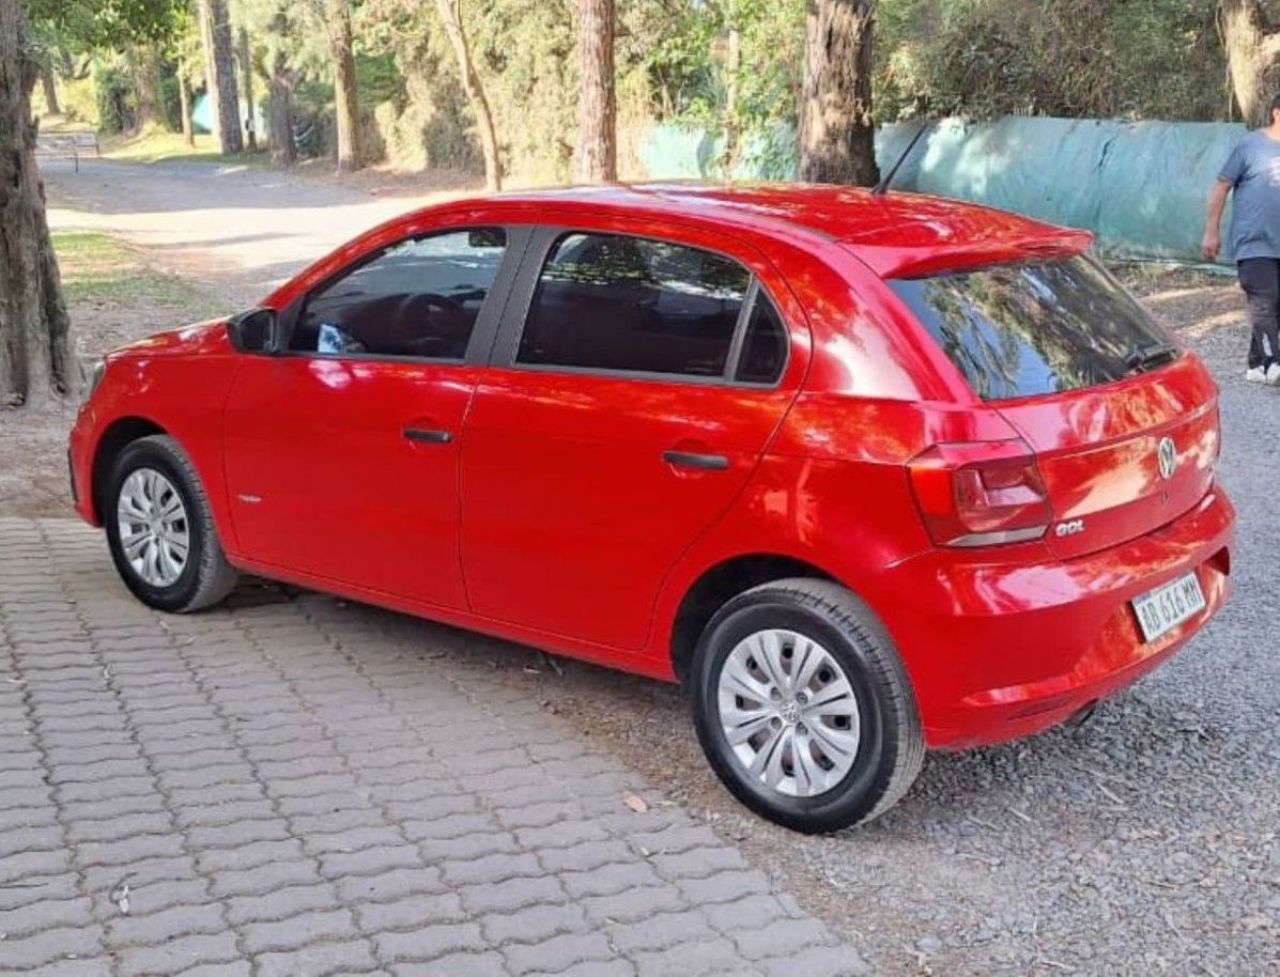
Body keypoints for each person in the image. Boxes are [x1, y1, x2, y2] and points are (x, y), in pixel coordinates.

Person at [1203, 93, 1280, 385]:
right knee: (1264, 299)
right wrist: (1211, 231)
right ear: (1276, 112)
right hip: (1254, 242)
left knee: (1275, 305)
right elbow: (1221, 187)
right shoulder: (1250, 146)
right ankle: (1274, 362)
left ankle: (1256, 364)